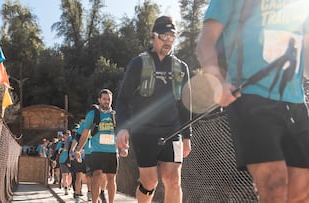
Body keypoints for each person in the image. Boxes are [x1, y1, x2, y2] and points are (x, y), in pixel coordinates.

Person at [196, 1, 309, 202]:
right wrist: (218, 84)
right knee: (273, 185)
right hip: (251, 99)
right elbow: (205, 42)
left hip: (296, 102)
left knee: (302, 191)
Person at [115, 16, 192, 203]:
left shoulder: (181, 68)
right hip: (144, 132)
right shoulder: (138, 64)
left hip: (173, 131)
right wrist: (123, 128)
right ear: (153, 36)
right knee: (149, 182)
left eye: (172, 36)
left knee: (173, 179)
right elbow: (123, 99)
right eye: (164, 36)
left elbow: (185, 103)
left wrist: (187, 135)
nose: (168, 41)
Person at [76, 89, 117, 203]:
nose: (106, 101)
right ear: (99, 100)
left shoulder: (115, 115)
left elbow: (120, 132)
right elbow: (85, 133)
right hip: (97, 150)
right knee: (96, 175)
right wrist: (78, 150)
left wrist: (124, 147)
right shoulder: (93, 114)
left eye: (109, 99)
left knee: (111, 178)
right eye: (104, 99)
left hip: (112, 151)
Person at [58, 130, 73, 195]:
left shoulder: (64, 142)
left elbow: (58, 152)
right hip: (69, 159)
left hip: (63, 160)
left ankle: (66, 188)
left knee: (65, 175)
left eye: (64, 136)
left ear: (66, 135)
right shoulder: (72, 140)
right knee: (69, 175)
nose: (63, 137)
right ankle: (67, 186)